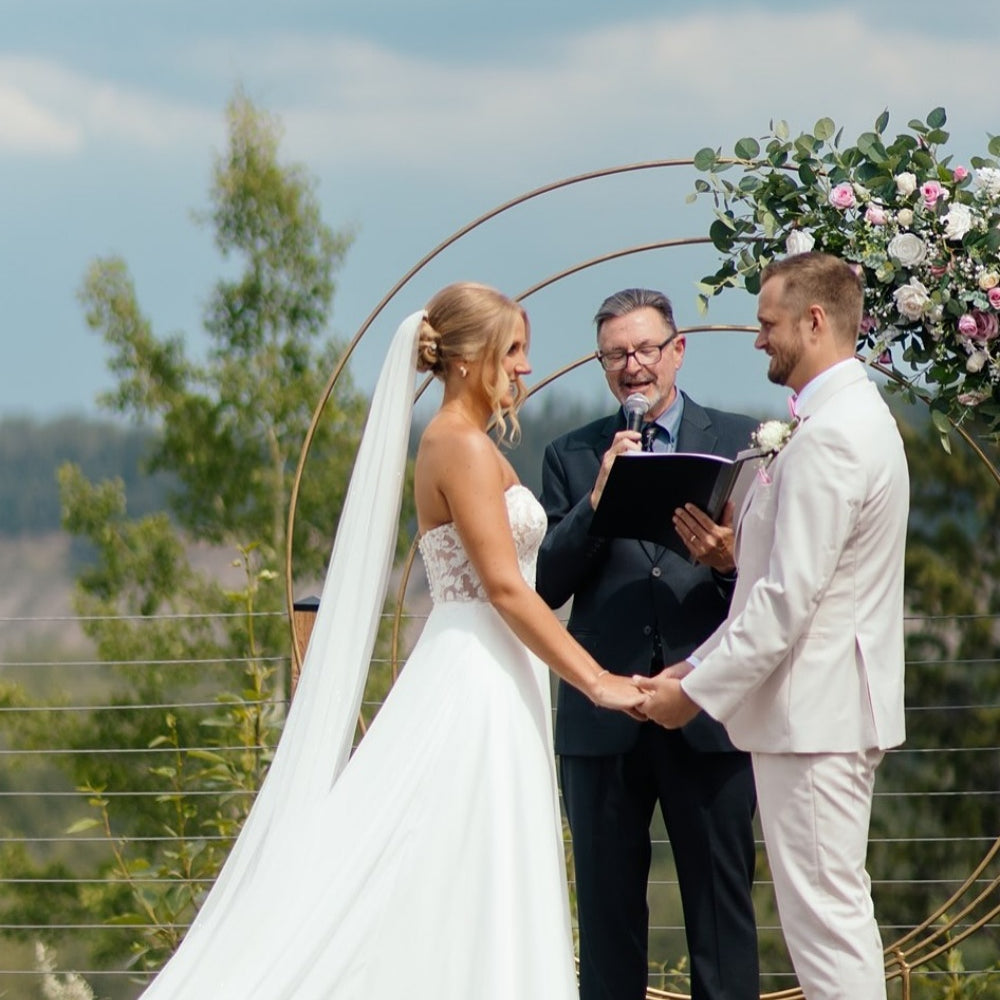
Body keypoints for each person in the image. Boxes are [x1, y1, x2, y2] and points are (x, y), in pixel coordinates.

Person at [133, 282, 645, 1000]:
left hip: (500, 668)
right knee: (448, 847)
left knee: (472, 860)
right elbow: (503, 588)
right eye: (514, 351)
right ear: (468, 360)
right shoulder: (456, 445)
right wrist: (597, 681)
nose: (527, 368)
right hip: (473, 673)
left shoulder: (465, 442)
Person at [637, 252, 909, 1000]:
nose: (758, 340)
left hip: (816, 714)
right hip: (815, 711)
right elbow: (770, 589)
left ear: (814, 321)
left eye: (768, 323)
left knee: (826, 927)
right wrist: (692, 671)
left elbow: (787, 602)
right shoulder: (837, 421)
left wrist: (691, 694)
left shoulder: (831, 437)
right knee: (824, 919)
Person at [536, 287, 760, 1000]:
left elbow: (780, 587)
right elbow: (542, 585)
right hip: (604, 723)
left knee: (722, 923)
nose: (632, 367)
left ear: (678, 349)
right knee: (606, 928)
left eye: (644, 350)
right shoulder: (571, 455)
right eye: (615, 355)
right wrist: (596, 501)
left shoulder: (739, 438)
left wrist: (729, 560)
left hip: (708, 714)